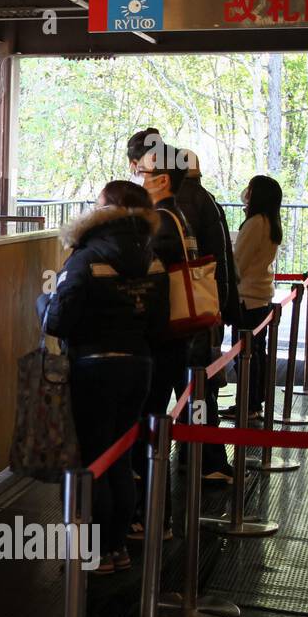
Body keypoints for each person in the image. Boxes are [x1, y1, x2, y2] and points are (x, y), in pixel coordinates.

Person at [40, 180, 168, 574]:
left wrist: (42, 302)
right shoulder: (154, 259)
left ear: (107, 209)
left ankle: (91, 553)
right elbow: (160, 325)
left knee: (91, 460)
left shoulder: (86, 257)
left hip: (93, 367)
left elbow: (59, 321)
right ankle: (116, 547)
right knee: (120, 457)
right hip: (139, 367)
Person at [126, 127, 197, 541]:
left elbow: (147, 280)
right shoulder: (178, 217)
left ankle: (146, 518)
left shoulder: (160, 222)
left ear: (162, 179)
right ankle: (156, 516)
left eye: (144, 171)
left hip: (158, 341)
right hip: (175, 338)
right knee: (155, 427)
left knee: (146, 430)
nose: (138, 175)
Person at [174, 148, 239, 483]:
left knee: (197, 386)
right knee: (202, 387)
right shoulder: (206, 199)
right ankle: (200, 454)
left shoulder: (178, 204)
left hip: (188, 312)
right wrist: (227, 303)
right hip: (206, 306)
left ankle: (205, 458)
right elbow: (223, 258)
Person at [230, 175, 283, 420]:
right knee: (258, 354)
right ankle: (253, 403)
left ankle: (247, 404)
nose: (246, 192)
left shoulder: (254, 223)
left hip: (247, 298)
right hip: (261, 296)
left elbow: (238, 261)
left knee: (245, 356)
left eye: (250, 188)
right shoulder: (270, 222)